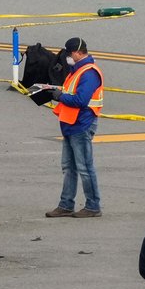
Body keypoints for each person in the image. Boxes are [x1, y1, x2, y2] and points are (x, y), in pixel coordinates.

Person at [43, 37, 104, 218]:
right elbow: (71, 92)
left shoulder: (89, 73)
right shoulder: (76, 70)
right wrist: (54, 91)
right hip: (70, 123)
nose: (68, 57)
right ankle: (66, 204)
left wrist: (59, 96)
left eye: (69, 54)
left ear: (78, 53)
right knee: (68, 167)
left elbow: (80, 100)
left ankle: (93, 206)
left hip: (82, 124)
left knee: (85, 167)